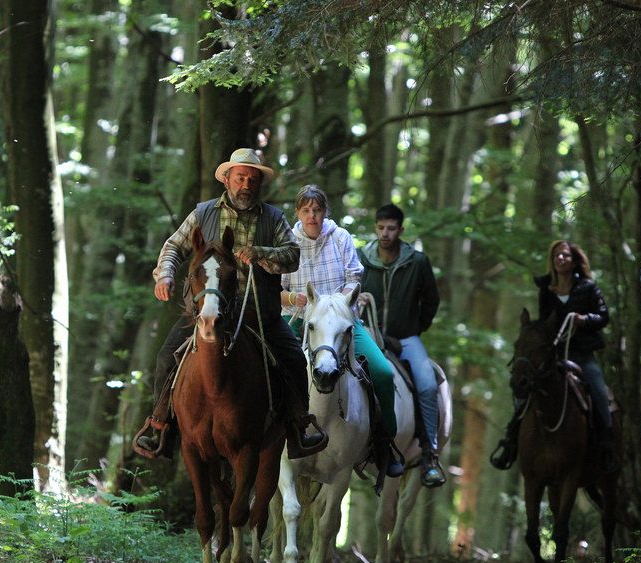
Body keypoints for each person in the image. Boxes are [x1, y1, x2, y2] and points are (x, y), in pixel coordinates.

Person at [133, 148, 327, 460]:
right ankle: (159, 425)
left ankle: (298, 426)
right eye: (240, 177)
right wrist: (164, 275)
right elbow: (174, 246)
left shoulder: (274, 219)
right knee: (166, 356)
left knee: (293, 359)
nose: (246, 184)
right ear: (227, 179)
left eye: (252, 179)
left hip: (257, 311)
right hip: (205, 309)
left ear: (258, 184)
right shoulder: (203, 213)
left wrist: (262, 253)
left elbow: (292, 255)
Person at [280, 184, 404, 478]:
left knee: (383, 373)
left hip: (341, 321)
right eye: (306, 210)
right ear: (298, 212)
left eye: (317, 209)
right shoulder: (286, 241)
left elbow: (354, 277)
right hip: (299, 317)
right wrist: (292, 299)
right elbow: (277, 289)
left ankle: (384, 443)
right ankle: (256, 437)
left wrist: (341, 302)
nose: (312, 216)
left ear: (325, 212)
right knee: (261, 366)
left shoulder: (340, 238)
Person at [490, 240, 614, 471]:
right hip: (553, 353)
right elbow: (545, 321)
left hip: (581, 352)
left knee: (597, 387)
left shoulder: (588, 287)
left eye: (565, 255)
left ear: (574, 260)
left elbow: (603, 316)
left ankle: (605, 443)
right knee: (524, 387)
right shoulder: (545, 290)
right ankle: (511, 442)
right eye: (557, 255)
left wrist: (584, 319)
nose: (561, 259)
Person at [356, 203, 446, 488]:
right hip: (368, 333)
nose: (385, 234)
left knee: (427, 384)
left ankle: (429, 455)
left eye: (391, 228)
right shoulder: (360, 259)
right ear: (375, 227)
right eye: (381, 227)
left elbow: (431, 301)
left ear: (401, 230)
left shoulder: (417, 262)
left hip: (406, 338)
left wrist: (413, 328)